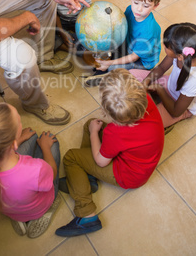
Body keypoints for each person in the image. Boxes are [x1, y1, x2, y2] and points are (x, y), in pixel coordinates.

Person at [55, 69, 164, 237]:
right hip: (143, 162)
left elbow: (101, 161)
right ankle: (88, 178)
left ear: (117, 118)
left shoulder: (115, 131)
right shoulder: (146, 99)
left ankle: (86, 214)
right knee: (92, 124)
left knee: (71, 157)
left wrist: (93, 133)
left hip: (128, 175)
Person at [0, 102, 61, 239]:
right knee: (52, 143)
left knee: (32, 137)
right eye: (19, 121)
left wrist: (20, 139)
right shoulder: (36, 169)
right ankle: (45, 212)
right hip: (38, 206)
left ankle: (18, 218)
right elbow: (52, 173)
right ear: (13, 144)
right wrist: (45, 147)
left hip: (12, 210)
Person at [84, 0, 164, 87]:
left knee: (113, 67)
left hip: (142, 62)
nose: (139, 9)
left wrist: (109, 63)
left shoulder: (148, 31)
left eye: (145, 6)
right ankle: (107, 67)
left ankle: (107, 76)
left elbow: (134, 58)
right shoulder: (129, 10)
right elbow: (121, 27)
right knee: (108, 43)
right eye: (136, 2)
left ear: (155, 6)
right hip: (129, 45)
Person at [130, 23, 196, 128]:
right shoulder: (181, 50)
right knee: (130, 75)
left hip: (180, 106)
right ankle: (156, 98)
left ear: (180, 56)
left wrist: (159, 89)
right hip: (170, 85)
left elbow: (176, 112)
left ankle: (164, 109)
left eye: (166, 46)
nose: (163, 46)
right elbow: (162, 68)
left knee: (144, 125)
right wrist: (145, 82)